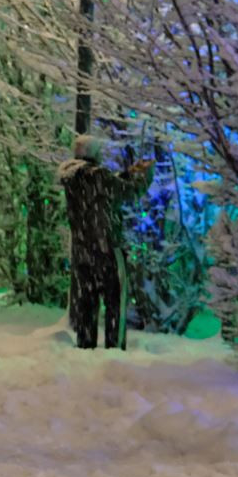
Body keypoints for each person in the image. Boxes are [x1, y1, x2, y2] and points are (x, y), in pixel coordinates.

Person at [59, 135, 153, 350]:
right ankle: (114, 349)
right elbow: (128, 191)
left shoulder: (72, 178)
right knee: (115, 301)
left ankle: (85, 346)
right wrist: (145, 175)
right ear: (95, 153)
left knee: (86, 302)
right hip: (107, 248)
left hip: (82, 251)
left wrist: (128, 173)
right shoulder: (100, 176)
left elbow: (106, 188)